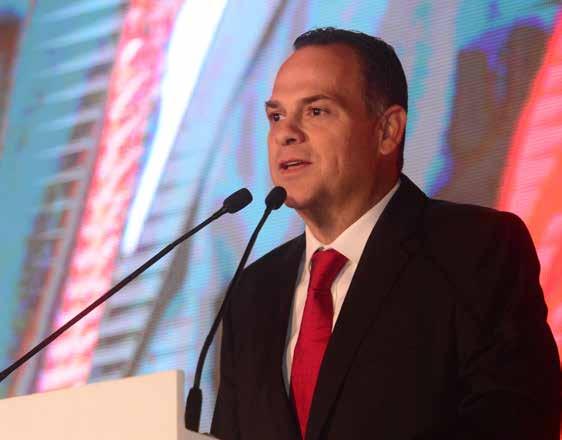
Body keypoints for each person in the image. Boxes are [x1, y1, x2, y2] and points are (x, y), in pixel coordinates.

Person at [210, 27, 561, 440]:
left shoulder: (477, 250)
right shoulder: (251, 294)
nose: (286, 133)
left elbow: (518, 423)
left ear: (387, 131)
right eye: (276, 116)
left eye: (316, 111)